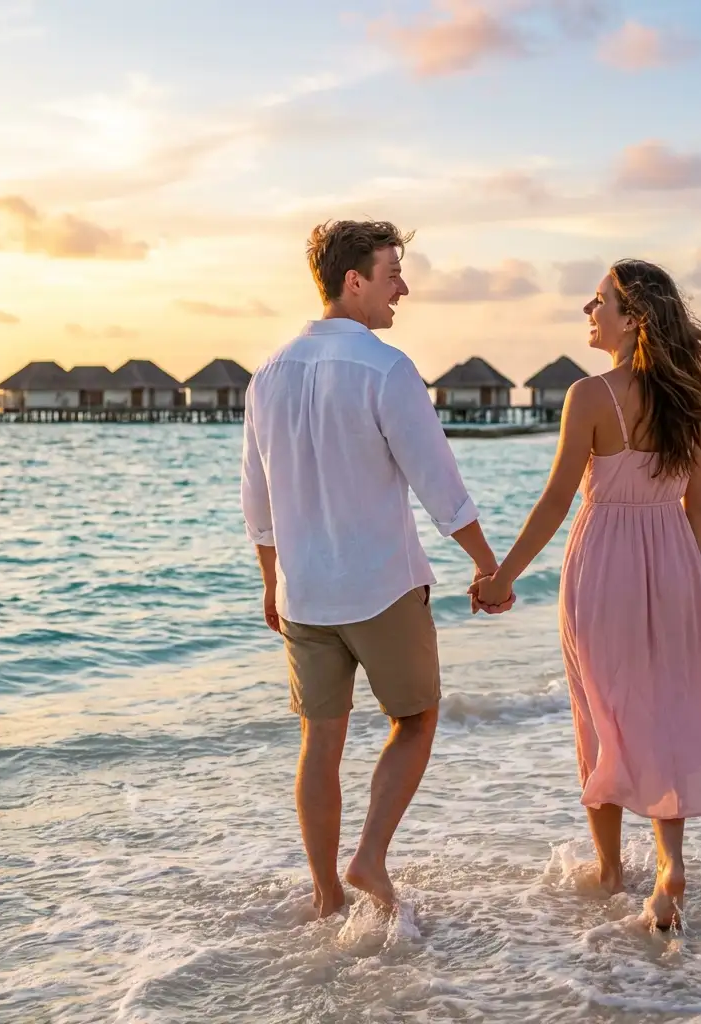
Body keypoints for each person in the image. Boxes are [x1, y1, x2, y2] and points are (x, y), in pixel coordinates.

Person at [474, 259, 701, 929]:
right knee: (665, 717)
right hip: (675, 568)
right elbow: (695, 510)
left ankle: (614, 870)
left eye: (599, 302)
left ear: (633, 317)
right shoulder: (689, 402)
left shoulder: (592, 395)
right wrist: (677, 578)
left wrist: (503, 576)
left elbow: (558, 499)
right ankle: (670, 867)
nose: (588, 313)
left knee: (599, 720)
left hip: (600, 573)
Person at [241, 219, 511, 917]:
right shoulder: (387, 370)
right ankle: (368, 859)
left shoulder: (266, 375)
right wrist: (488, 566)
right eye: (393, 274)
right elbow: (438, 482)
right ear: (354, 281)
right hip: (383, 587)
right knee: (416, 719)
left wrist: (272, 582)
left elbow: (258, 499)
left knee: (319, 742)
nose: (404, 288)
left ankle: (327, 896)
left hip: (304, 595)